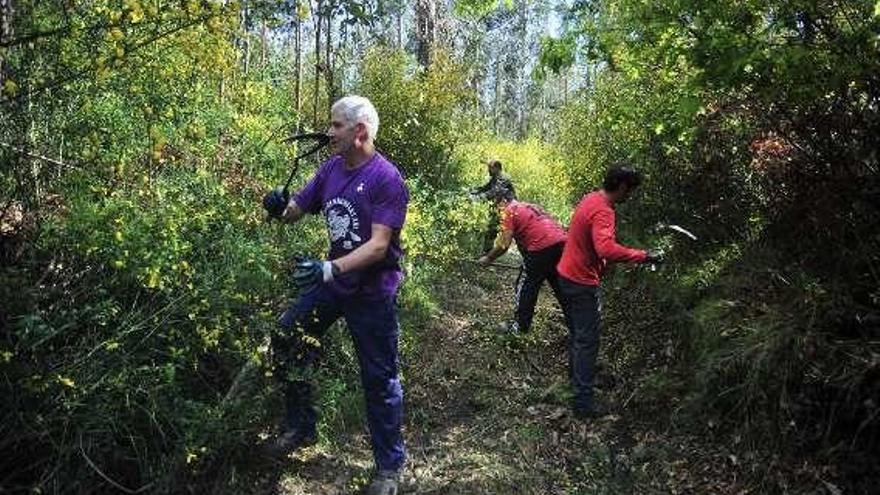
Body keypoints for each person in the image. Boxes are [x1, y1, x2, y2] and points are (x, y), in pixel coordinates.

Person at [262, 95, 408, 495]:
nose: (329, 133)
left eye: (336, 125)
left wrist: (330, 267)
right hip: (334, 285)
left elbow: (379, 246)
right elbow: (297, 209)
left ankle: (389, 469)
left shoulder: (386, 179)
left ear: (358, 131)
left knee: (379, 377)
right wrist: (279, 207)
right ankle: (301, 428)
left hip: (372, 292)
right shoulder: (330, 170)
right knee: (287, 335)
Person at [555, 165, 663, 419]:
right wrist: (643, 256)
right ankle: (583, 402)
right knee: (587, 340)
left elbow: (592, 245)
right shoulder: (604, 211)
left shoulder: (591, 198)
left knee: (579, 334)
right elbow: (605, 248)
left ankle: (577, 379)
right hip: (580, 281)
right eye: (631, 190)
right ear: (623, 187)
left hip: (566, 273)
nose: (631, 196)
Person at [477, 189, 567, 334]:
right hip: (562, 245)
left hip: (541, 248)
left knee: (527, 286)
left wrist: (488, 258)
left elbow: (504, 244)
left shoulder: (509, 210)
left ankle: (520, 327)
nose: (495, 209)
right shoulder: (528, 206)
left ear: (503, 201)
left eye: (495, 204)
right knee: (560, 285)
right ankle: (576, 325)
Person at [470, 159, 515, 254]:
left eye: (490, 168)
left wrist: (479, 198)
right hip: (498, 209)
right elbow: (485, 188)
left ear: (497, 168)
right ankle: (487, 253)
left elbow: (495, 191)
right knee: (491, 230)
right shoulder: (494, 178)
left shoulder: (504, 178)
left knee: (511, 232)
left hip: (509, 209)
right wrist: (471, 191)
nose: (488, 170)